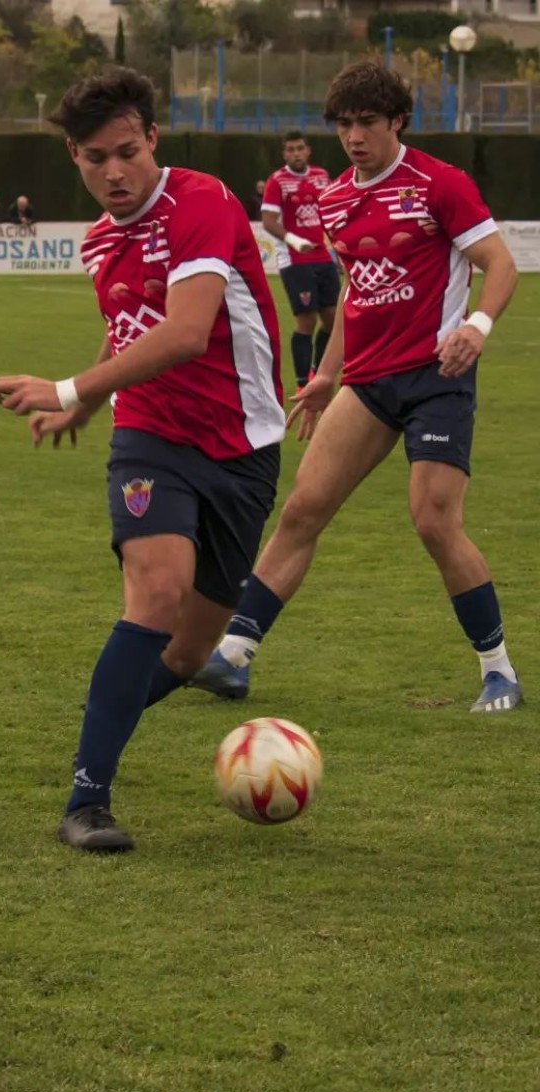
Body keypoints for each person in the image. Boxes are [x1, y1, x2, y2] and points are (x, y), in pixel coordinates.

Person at [0, 69, 284, 852]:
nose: (114, 173)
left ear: (153, 139)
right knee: (155, 593)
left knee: (188, 655)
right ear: (73, 157)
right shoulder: (99, 241)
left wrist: (66, 386)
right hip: (151, 437)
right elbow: (130, 331)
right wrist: (84, 406)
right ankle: (88, 799)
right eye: (95, 158)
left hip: (245, 446)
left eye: (127, 152)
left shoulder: (203, 202)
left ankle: (103, 717)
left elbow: (186, 332)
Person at [191, 61, 522, 714]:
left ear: (397, 120)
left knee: (433, 521)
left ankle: (498, 670)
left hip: (437, 378)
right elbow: (354, 293)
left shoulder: (439, 184)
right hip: (367, 384)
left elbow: (500, 263)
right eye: (343, 124)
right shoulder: (334, 198)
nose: (354, 136)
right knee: (302, 510)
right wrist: (325, 375)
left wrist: (477, 326)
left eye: (367, 122)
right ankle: (234, 654)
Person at [261, 130, 340, 390]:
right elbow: (269, 223)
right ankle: (301, 382)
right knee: (306, 320)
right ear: (285, 154)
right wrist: (295, 241)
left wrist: (337, 247)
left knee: (332, 317)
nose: (296, 153)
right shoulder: (278, 181)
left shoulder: (321, 177)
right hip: (295, 260)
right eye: (290, 150)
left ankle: (318, 370)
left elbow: (329, 214)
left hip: (322, 256)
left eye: (300, 148)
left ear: (308, 151)